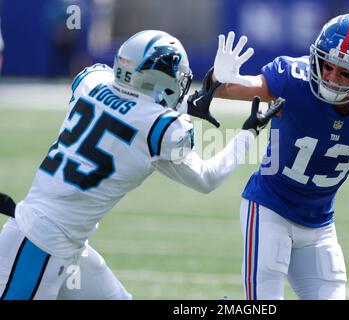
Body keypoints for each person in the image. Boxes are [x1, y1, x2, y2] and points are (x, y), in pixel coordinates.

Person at [0, 30, 283, 300]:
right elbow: (206, 177)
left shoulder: (92, 82)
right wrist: (248, 134)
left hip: (60, 243)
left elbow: (126, 110)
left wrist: (186, 105)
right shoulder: (161, 129)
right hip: (38, 246)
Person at [206, 14, 349, 299]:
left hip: (320, 225)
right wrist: (218, 78)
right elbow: (230, 90)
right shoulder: (293, 80)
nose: (331, 77)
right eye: (327, 66)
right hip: (270, 210)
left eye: (345, 73)